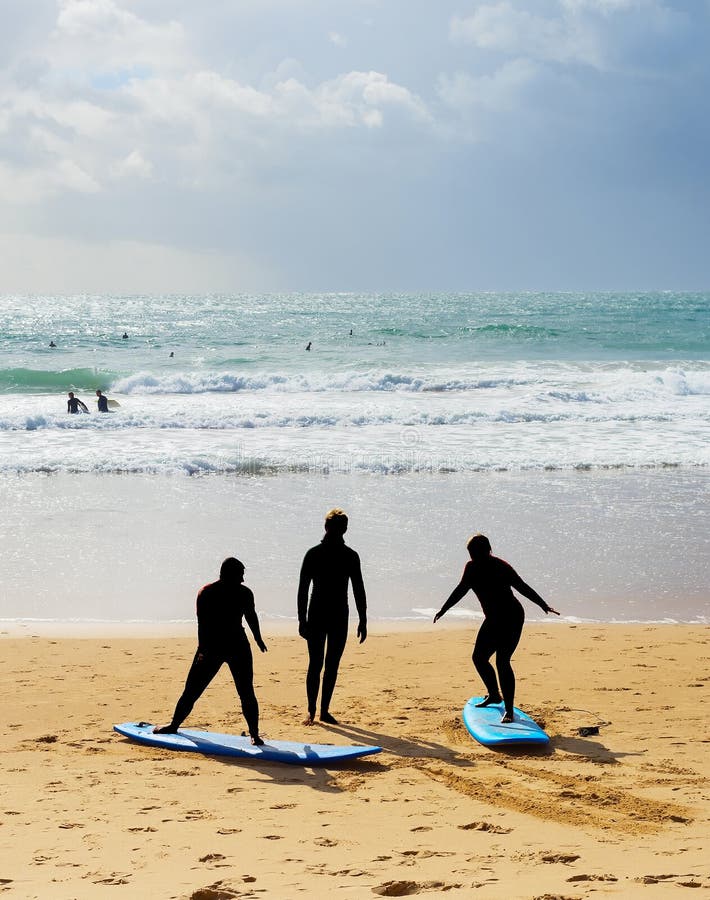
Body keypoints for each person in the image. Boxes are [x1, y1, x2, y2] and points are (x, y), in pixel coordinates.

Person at [433, 533, 559, 723]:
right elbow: (461, 589)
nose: (473, 556)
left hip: (512, 617)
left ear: (487, 550)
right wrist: (444, 609)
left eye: (476, 552)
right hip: (492, 619)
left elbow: (521, 586)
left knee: (502, 661)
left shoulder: (501, 566)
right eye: (470, 553)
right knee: (479, 658)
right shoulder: (471, 568)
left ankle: (509, 710)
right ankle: (494, 694)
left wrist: (542, 604)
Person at [155, 557, 267, 745]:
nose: (243, 580)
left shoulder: (243, 593)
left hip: (235, 646)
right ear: (227, 575)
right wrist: (202, 649)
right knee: (192, 689)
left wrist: (257, 637)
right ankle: (174, 725)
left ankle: (254, 735)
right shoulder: (207, 593)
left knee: (246, 691)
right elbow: (203, 625)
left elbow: (251, 616)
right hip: (213, 647)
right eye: (240, 575)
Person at [298, 508, 367, 726]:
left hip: (320, 613)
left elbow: (302, 590)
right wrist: (363, 618)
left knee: (319, 664)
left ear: (326, 527)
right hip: (335, 614)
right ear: (343, 528)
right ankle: (318, 711)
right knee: (326, 665)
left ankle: (316, 711)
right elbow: (359, 590)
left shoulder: (315, 554)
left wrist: (302, 619)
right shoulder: (347, 556)